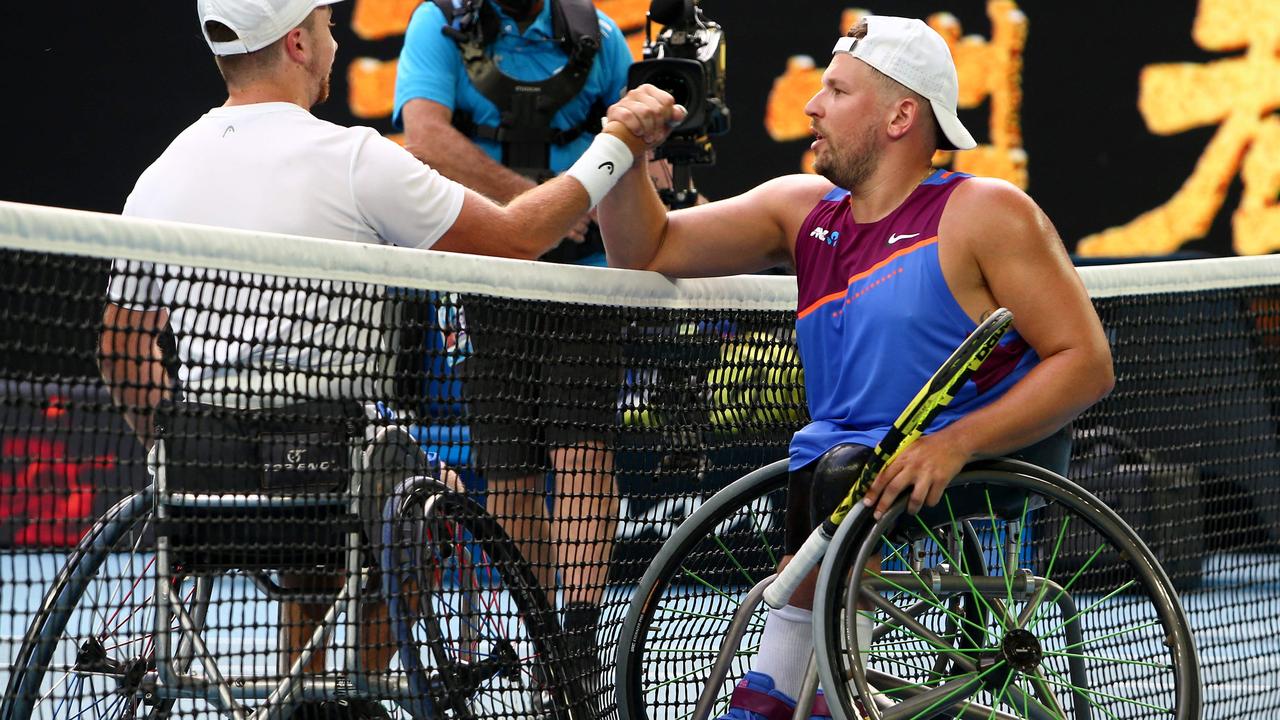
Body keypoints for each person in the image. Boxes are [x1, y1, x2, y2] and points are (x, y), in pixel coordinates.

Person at [95, 0, 665, 716]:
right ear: (298, 42)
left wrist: (173, 450)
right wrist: (614, 145)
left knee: (316, 518)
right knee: (424, 500)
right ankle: (352, 691)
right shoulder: (357, 159)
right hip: (338, 463)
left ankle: (300, 688)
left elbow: (120, 344)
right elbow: (521, 237)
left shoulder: (159, 176)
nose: (336, 37)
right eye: (329, 24)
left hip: (204, 479)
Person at [599, 15, 1115, 720]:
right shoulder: (801, 212)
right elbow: (644, 250)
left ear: (901, 115)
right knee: (833, 462)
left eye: (836, 91)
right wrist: (625, 150)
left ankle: (779, 695)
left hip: (965, 472)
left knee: (839, 470)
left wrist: (958, 442)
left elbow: (1085, 363)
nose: (811, 108)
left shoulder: (985, 212)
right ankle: (806, 695)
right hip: (847, 475)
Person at [391, 0, 634, 678]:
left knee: (584, 449)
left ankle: (578, 641)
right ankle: (538, 631)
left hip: (587, 282)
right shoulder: (435, 23)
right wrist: (538, 209)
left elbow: (633, 148)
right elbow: (426, 137)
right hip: (483, 275)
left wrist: (649, 171)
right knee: (510, 472)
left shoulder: (603, 37)